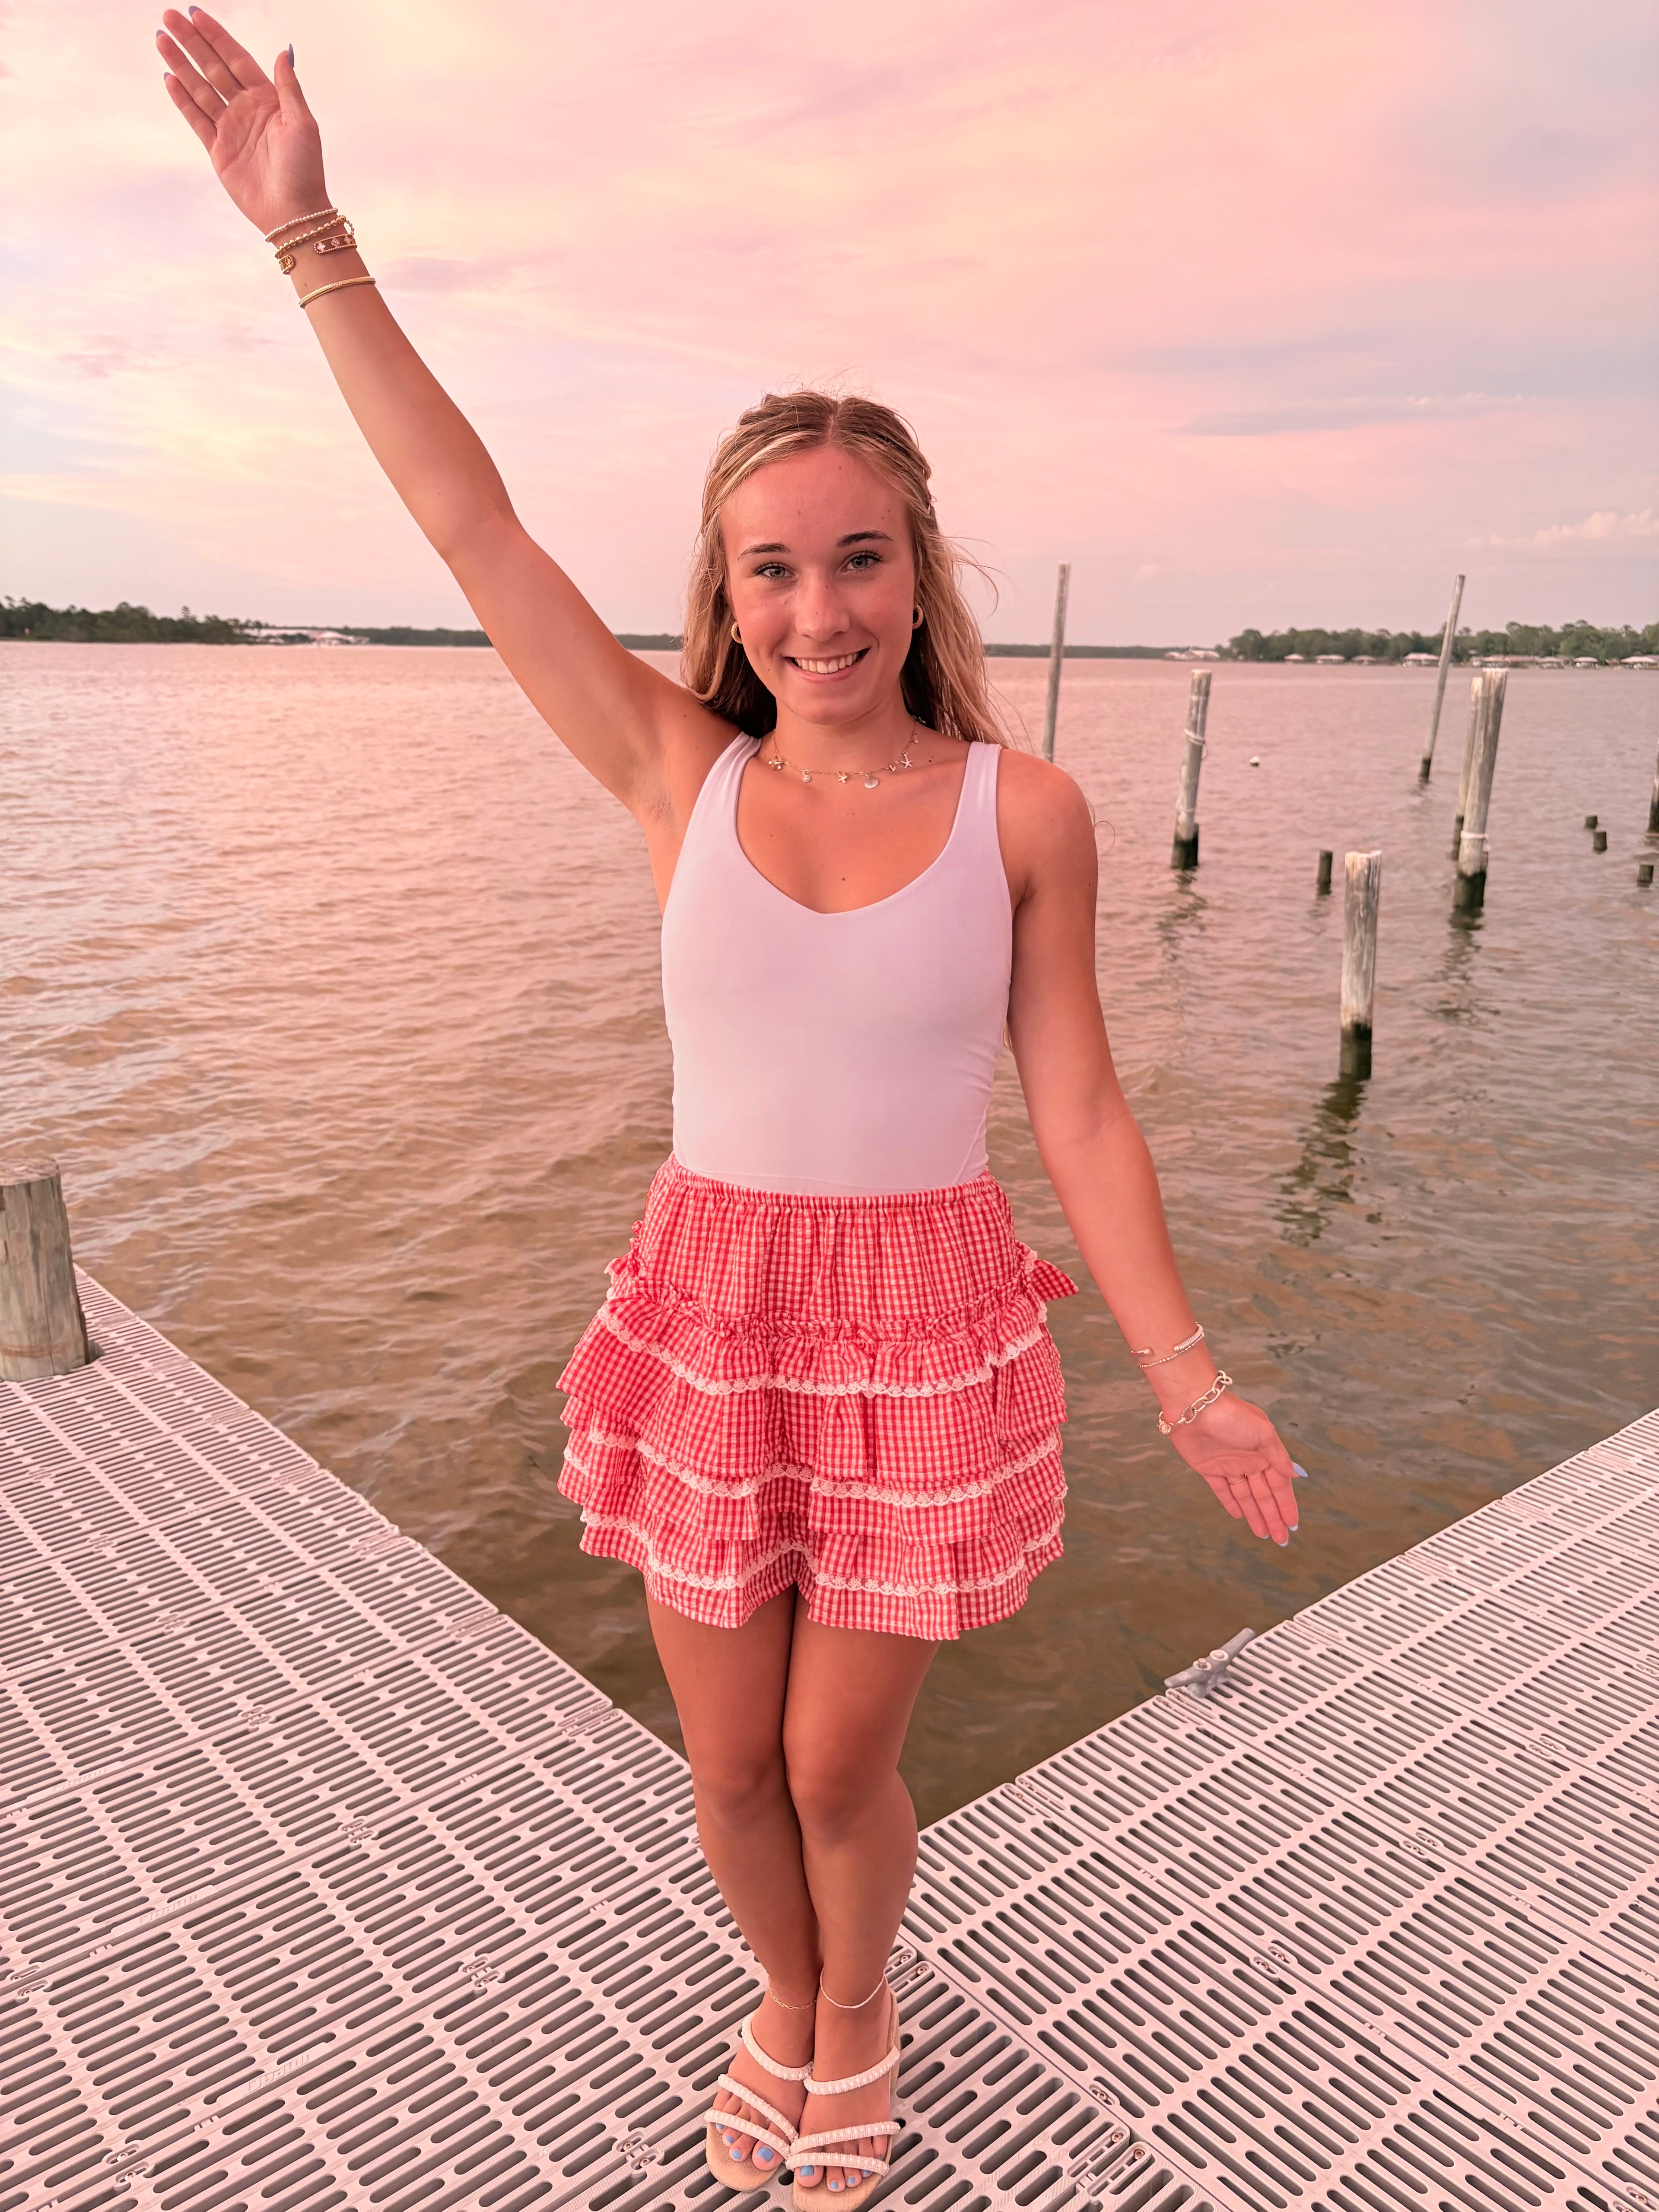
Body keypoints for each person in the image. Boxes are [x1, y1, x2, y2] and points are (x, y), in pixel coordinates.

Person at [159, 14, 1303, 2201]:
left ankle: (852, 2009)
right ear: (728, 593)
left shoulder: (1024, 804)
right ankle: (781, 1992)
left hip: (914, 1325)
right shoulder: (674, 767)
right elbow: (467, 511)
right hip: (709, 1302)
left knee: (835, 1749)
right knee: (721, 1771)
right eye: (772, 569)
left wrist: (1187, 1371)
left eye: (857, 558)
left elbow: (1077, 1104)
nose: (816, 606)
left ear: (918, 568)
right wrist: (308, 232)